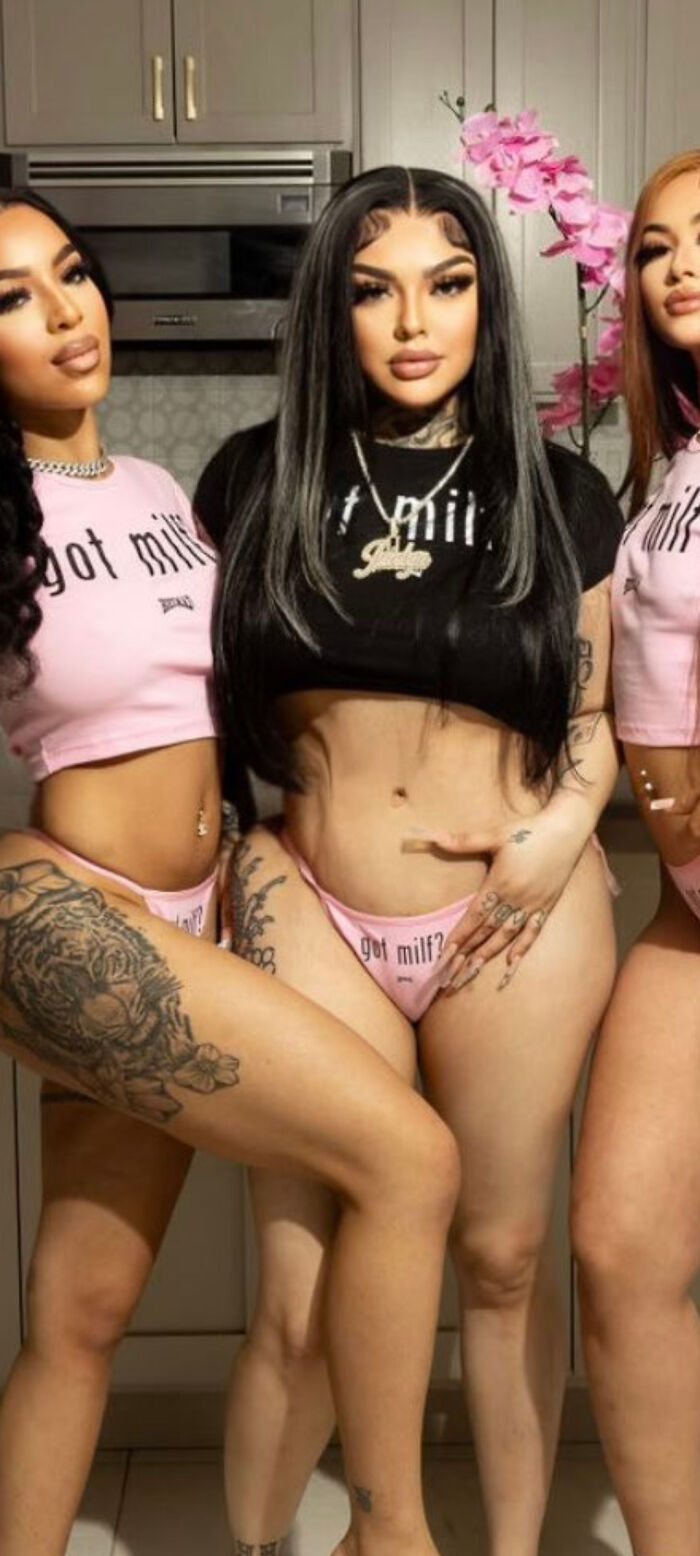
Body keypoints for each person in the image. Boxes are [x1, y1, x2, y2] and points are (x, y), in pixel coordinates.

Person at [0, 185, 461, 1556]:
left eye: (71, 272)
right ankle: (394, 1537)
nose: (66, 312)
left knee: (79, 1310)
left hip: (197, 912)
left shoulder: (155, 488)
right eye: (11, 299)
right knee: (410, 1160)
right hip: (73, 906)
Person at [198, 165, 624, 1556]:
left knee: (502, 1256)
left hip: (517, 913)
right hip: (312, 903)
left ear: (487, 305)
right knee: (302, 1285)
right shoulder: (254, 477)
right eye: (372, 289)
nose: (411, 321)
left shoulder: (561, 491)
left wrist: (561, 832)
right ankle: (293, 1541)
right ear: (331, 308)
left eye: (447, 284)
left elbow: (597, 718)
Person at [572, 148, 700, 1556]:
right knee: (617, 1252)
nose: (678, 266)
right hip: (685, 913)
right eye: (656, 248)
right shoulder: (665, 469)